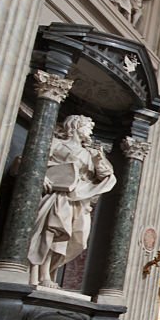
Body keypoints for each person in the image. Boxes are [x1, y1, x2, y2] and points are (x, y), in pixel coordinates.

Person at [28, 114, 116, 288]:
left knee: (77, 239)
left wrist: (98, 158)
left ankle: (50, 273)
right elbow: (32, 160)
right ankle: (38, 274)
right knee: (51, 231)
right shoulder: (56, 143)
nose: (89, 131)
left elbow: (106, 176)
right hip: (57, 194)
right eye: (87, 127)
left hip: (79, 199)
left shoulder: (90, 153)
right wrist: (41, 176)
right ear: (75, 126)